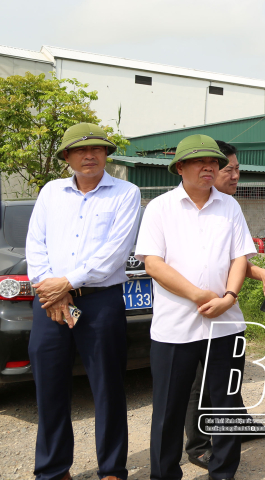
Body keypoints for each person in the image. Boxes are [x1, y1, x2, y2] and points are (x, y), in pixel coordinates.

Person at [136, 134, 257, 480]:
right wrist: (197, 295)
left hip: (226, 324)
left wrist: (229, 298)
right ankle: (164, 474)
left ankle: (223, 472)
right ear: (180, 167)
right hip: (174, 327)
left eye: (214, 162)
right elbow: (153, 264)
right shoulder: (160, 208)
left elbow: (239, 258)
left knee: (225, 407)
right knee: (168, 410)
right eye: (200, 162)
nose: (210, 167)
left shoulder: (230, 207)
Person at [26, 122, 141, 480]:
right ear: (67, 157)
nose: (88, 155)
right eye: (79, 150)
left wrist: (66, 283)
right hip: (49, 304)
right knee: (50, 387)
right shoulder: (50, 192)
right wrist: (49, 287)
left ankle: (111, 469)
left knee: (107, 387)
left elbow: (115, 252)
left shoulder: (126, 193)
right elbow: (35, 244)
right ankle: (53, 469)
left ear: (106, 154)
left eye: (96, 149)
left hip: (100, 301)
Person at [182, 140, 265, 470]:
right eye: (229, 168)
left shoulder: (229, 207)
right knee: (204, 383)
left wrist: (263, 274)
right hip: (196, 311)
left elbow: (237, 258)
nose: (235, 175)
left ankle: (236, 425)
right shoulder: (190, 207)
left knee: (229, 375)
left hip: (228, 310)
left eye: (238, 168)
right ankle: (198, 444)